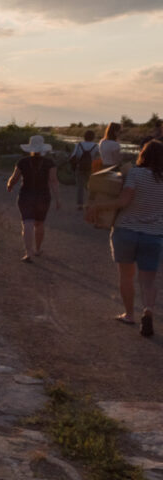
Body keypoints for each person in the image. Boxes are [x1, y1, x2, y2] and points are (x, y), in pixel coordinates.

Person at [85, 140, 163, 337]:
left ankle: (129, 314)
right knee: (148, 280)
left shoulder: (135, 174)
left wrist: (98, 207)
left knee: (126, 276)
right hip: (153, 235)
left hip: (126, 231)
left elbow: (124, 201)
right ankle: (148, 310)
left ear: (143, 155)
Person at [7, 135, 61, 262]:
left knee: (27, 223)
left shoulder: (23, 162)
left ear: (30, 148)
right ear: (43, 149)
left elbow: (14, 178)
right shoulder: (50, 163)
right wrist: (58, 199)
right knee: (40, 223)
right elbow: (53, 181)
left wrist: (9, 185)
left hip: (26, 196)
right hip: (43, 197)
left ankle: (28, 253)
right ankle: (37, 249)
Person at [69, 130, 99, 210]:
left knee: (80, 186)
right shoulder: (96, 146)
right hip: (91, 168)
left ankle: (80, 204)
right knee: (91, 186)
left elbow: (74, 156)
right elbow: (98, 157)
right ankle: (90, 204)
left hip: (80, 167)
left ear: (84, 136)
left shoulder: (79, 145)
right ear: (93, 137)